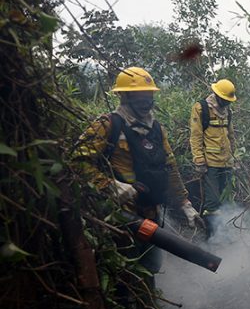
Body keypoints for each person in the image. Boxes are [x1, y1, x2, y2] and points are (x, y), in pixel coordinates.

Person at [75, 67, 205, 273]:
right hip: (120, 216)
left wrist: (184, 203)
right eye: (139, 98)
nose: (145, 103)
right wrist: (109, 186)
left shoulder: (156, 129)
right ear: (125, 97)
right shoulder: (107, 124)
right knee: (127, 269)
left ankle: (149, 302)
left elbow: (170, 167)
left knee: (152, 265)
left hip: (151, 213)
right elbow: (76, 162)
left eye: (149, 97)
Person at [189, 78, 237, 237]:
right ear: (217, 95)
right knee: (212, 203)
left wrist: (234, 157)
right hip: (210, 165)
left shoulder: (227, 111)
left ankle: (226, 235)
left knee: (226, 201)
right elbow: (195, 136)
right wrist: (199, 161)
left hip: (227, 163)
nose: (226, 103)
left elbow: (231, 136)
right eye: (224, 100)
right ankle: (211, 238)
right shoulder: (201, 108)